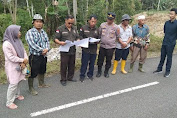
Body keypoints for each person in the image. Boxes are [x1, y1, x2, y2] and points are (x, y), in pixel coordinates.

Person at [3, 25, 28, 109]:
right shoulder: (6, 44)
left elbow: (24, 51)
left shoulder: (18, 40)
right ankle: (9, 102)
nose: (20, 33)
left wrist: (25, 60)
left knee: (19, 80)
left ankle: (17, 94)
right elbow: (10, 57)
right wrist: (22, 60)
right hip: (12, 66)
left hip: (21, 64)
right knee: (13, 83)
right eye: (18, 31)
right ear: (12, 32)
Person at [26, 14, 50, 96]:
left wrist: (47, 49)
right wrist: (42, 50)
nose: (39, 23)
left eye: (40, 22)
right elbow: (32, 44)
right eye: (37, 22)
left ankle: (41, 83)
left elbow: (47, 41)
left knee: (42, 69)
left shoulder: (43, 32)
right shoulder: (30, 32)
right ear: (33, 22)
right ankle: (31, 88)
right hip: (34, 56)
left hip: (43, 55)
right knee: (33, 72)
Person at [54, 15, 80, 86]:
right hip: (64, 50)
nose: (70, 24)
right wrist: (60, 42)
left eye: (72, 23)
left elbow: (77, 37)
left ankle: (70, 77)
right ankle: (63, 79)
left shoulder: (74, 28)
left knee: (72, 64)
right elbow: (55, 38)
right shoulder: (60, 28)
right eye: (69, 23)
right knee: (64, 65)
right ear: (65, 20)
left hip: (72, 49)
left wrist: (78, 41)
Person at [153, 8, 177, 77]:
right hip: (165, 42)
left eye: (172, 14)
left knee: (169, 58)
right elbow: (165, 31)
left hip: (171, 43)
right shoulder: (166, 23)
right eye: (170, 13)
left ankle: (167, 71)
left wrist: (173, 40)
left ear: (175, 15)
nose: (170, 15)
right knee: (162, 56)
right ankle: (159, 69)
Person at [96, 12, 119, 78]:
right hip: (102, 46)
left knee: (108, 60)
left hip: (111, 47)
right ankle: (99, 71)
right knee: (100, 60)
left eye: (111, 19)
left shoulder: (116, 27)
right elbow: (99, 34)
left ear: (114, 19)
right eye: (108, 19)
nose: (109, 20)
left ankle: (106, 72)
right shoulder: (102, 25)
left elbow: (118, 36)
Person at [79, 15, 99, 82]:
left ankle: (90, 75)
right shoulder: (84, 28)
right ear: (89, 21)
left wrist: (97, 41)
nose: (93, 23)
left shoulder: (97, 29)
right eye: (92, 21)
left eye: (95, 22)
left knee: (92, 63)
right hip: (86, 49)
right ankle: (82, 75)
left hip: (93, 49)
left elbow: (99, 38)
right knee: (84, 63)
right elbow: (80, 36)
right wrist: (84, 41)